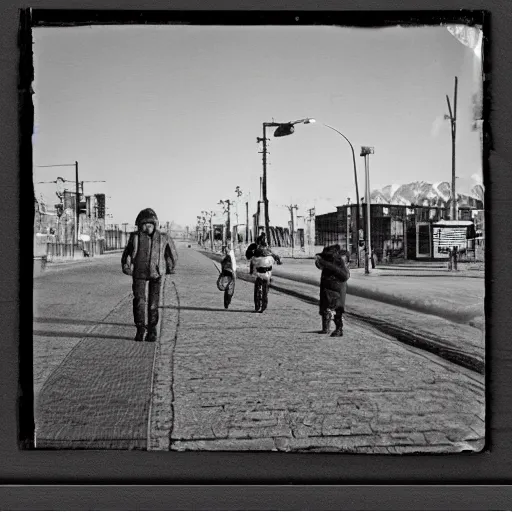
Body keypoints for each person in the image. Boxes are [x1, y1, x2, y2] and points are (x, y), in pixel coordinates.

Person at [121, 208, 178, 342]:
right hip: (139, 272)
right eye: (144, 225)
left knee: (153, 303)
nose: (146, 227)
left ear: (154, 224)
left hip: (156, 273)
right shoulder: (135, 237)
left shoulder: (163, 238)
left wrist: (170, 267)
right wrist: (126, 265)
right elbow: (127, 253)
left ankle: (152, 330)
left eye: (149, 224)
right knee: (139, 301)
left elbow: (171, 254)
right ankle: (140, 329)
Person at [315, 244, 350, 337]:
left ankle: (338, 329)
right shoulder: (329, 264)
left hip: (337, 290)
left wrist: (326, 264)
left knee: (337, 310)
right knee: (326, 308)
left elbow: (345, 276)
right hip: (329, 290)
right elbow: (319, 265)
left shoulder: (337, 261)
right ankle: (326, 328)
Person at [250, 241, 282, 313]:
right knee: (265, 289)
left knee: (257, 289)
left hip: (258, 273)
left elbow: (252, 262)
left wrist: (251, 271)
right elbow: (277, 258)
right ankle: (263, 305)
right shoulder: (269, 252)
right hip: (267, 273)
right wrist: (279, 261)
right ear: (266, 246)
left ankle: (257, 306)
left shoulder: (256, 251)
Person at [217, 244, 237, 309]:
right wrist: (234, 273)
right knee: (230, 289)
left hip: (225, 273)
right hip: (229, 273)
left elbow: (222, 264)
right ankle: (227, 301)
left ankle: (226, 302)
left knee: (227, 288)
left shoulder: (225, 256)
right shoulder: (230, 256)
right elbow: (233, 265)